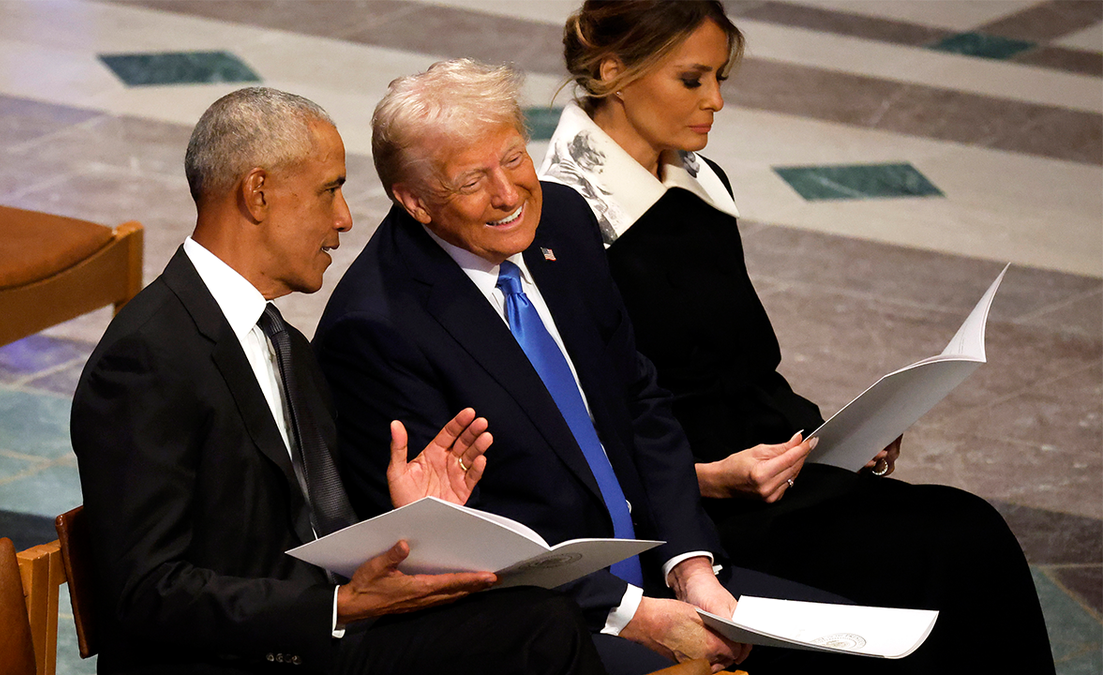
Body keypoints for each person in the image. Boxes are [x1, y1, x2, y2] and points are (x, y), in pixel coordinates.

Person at [313, 59, 920, 675]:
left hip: (662, 567)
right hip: (548, 618)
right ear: (413, 199)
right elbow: (447, 541)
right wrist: (636, 614)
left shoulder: (565, 221)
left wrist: (691, 568)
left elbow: (639, 402)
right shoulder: (375, 329)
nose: (509, 195)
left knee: (873, 658)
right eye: (471, 181)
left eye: (515, 159)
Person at [539, 1, 1055, 673]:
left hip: (778, 474)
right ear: (613, 71)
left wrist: (840, 432)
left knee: (966, 532)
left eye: (721, 78)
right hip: (692, 511)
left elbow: (738, 366)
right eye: (693, 79)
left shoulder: (702, 182)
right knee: (945, 547)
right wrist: (711, 479)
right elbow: (578, 427)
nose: (716, 101)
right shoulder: (561, 219)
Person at [70, 86, 606, 675]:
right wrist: (333, 607)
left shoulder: (283, 342)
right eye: (330, 190)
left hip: (321, 639)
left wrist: (416, 522)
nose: (345, 219)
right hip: (245, 656)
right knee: (538, 634)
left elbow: (301, 524)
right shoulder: (147, 358)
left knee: (537, 616)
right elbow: (147, 590)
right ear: (258, 193)